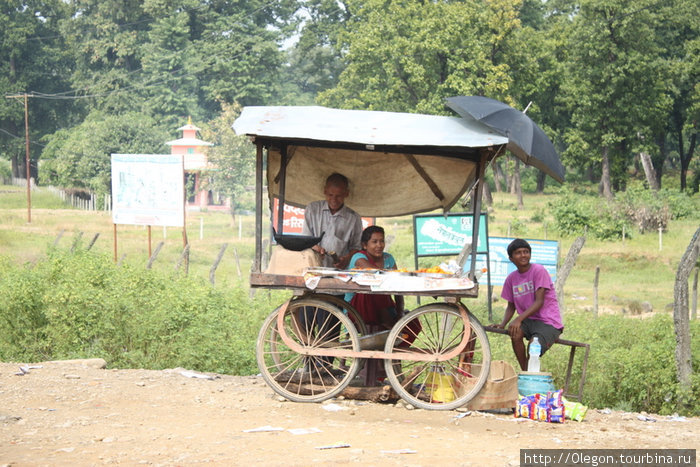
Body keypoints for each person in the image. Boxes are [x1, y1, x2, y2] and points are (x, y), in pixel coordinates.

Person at [493, 238, 563, 371]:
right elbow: (511, 306)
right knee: (515, 332)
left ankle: (529, 374)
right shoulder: (511, 278)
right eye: (518, 253)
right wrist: (503, 324)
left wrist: (518, 319)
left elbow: (539, 301)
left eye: (526, 252)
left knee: (533, 347)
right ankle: (526, 372)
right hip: (529, 321)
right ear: (511, 258)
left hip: (548, 322)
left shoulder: (539, 270)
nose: (523, 255)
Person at [344, 225, 405, 330]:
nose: (379, 245)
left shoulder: (388, 258)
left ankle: (394, 339)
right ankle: (387, 322)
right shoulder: (359, 257)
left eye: (382, 241)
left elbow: (397, 284)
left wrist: (400, 313)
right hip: (357, 307)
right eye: (374, 242)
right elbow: (376, 273)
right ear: (364, 245)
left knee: (412, 324)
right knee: (375, 283)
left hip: (384, 306)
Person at [302, 172, 363, 269]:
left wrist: (346, 259)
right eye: (330, 195)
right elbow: (305, 240)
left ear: (346, 194)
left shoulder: (354, 218)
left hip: (340, 272)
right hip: (313, 268)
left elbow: (356, 247)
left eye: (339, 196)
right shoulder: (312, 210)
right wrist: (315, 248)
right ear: (325, 191)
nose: (334, 200)